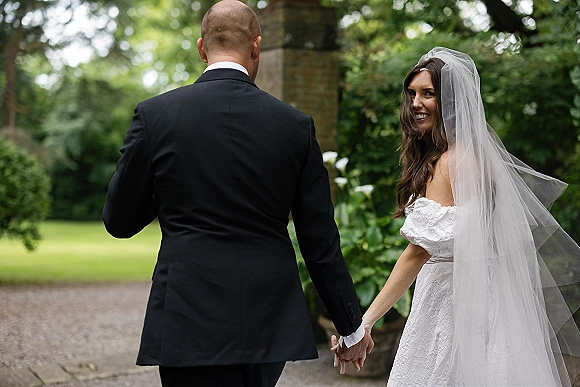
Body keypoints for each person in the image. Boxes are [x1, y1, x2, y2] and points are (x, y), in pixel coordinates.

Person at [102, 1, 373, 386]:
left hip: (187, 313)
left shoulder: (156, 116)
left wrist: (167, 191)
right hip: (267, 319)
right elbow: (320, 243)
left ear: (201, 48)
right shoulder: (295, 127)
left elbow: (119, 221)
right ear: (256, 47)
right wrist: (352, 329)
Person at [333, 47, 580, 386]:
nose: (416, 103)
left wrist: (366, 322)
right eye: (412, 94)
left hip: (450, 308)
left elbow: (419, 252)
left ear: (449, 101)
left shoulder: (451, 160)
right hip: (483, 300)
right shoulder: (471, 156)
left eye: (428, 94)